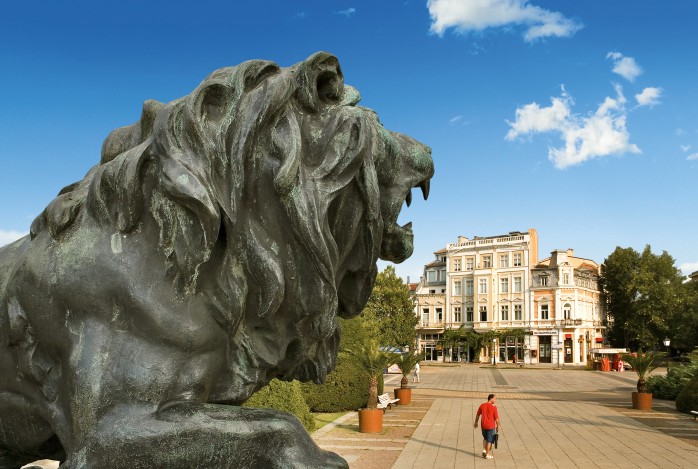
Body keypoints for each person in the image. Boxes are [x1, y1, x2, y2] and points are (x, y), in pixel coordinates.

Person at [474, 393, 500, 460]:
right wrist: (498, 425)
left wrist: (476, 422)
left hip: (483, 426)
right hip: (490, 426)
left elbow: (478, 414)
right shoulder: (494, 407)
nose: (495, 400)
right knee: (489, 441)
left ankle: (484, 450)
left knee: (485, 438)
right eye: (494, 399)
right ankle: (487, 454)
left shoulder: (482, 405)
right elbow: (496, 418)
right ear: (491, 399)